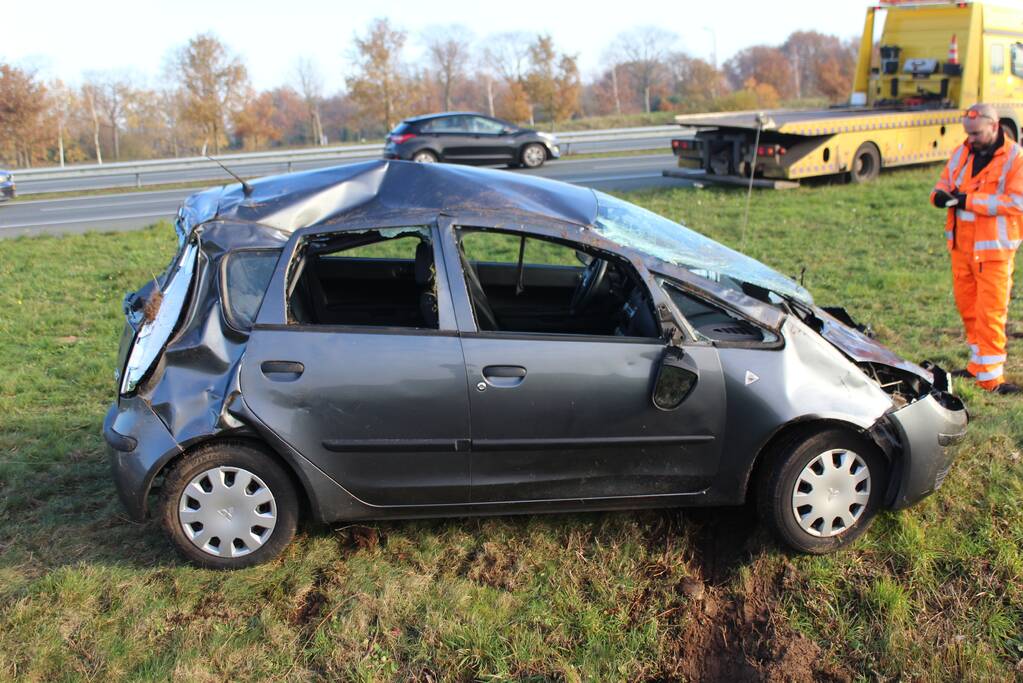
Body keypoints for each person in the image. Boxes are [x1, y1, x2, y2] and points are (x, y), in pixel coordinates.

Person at [932, 103, 1021, 394]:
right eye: (967, 133)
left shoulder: (1015, 158)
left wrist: (969, 201)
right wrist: (939, 196)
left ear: (994, 126)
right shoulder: (962, 151)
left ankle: (992, 379)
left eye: (976, 133)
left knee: (990, 313)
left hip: (993, 251)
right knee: (968, 309)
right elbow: (944, 182)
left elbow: (1017, 203)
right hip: (961, 247)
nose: (971, 138)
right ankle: (977, 365)